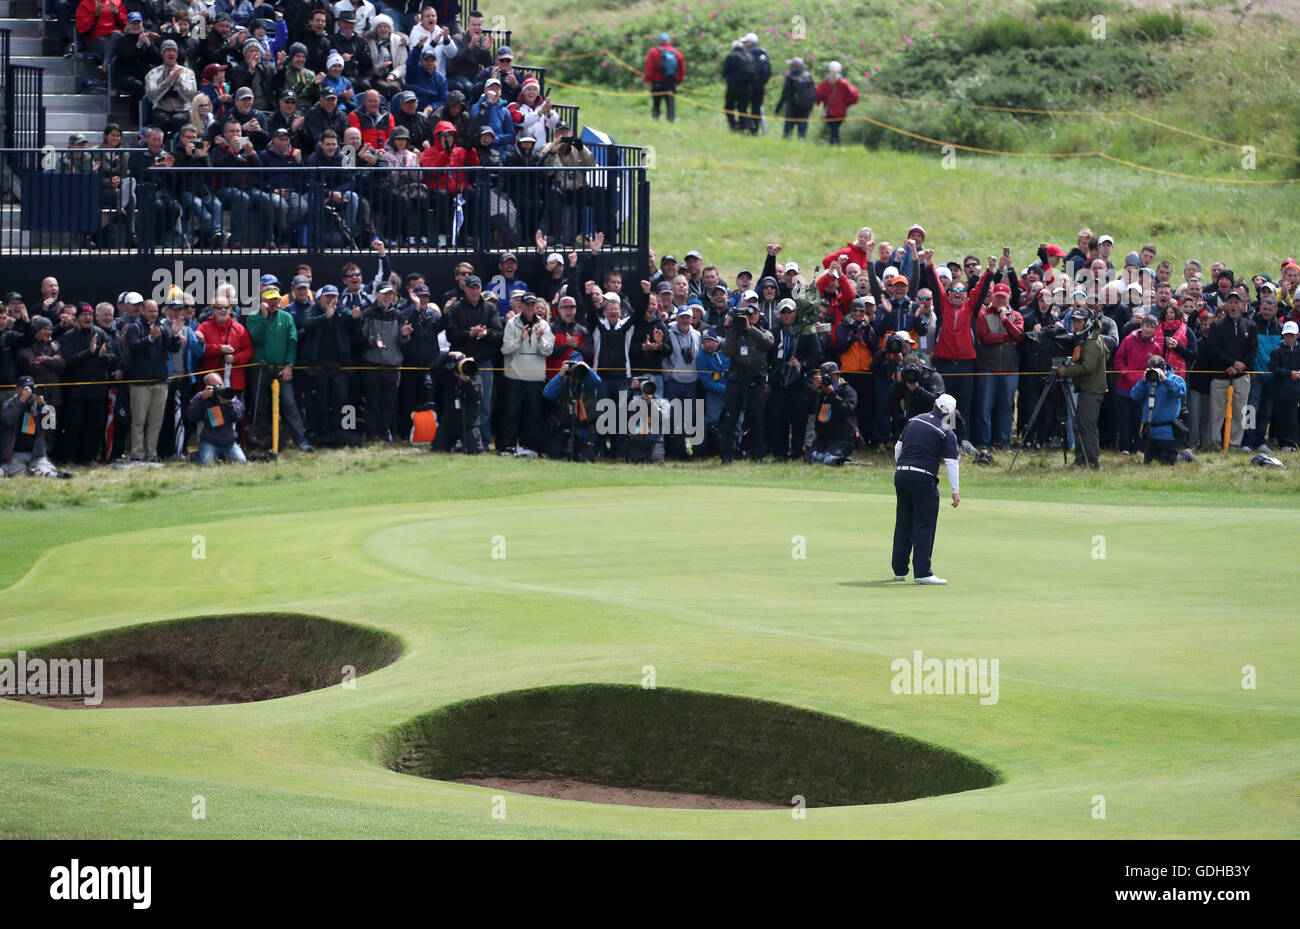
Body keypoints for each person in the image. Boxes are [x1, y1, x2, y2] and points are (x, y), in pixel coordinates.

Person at [891, 393, 960, 584]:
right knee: (924, 524)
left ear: (934, 405)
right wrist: (955, 491)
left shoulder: (914, 420)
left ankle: (899, 570)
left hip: (901, 474)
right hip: (923, 478)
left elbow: (898, 447)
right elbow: (952, 463)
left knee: (903, 523)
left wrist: (903, 468)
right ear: (950, 413)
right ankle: (922, 573)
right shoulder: (947, 430)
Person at [124, 299, 181, 462]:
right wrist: (149, 339)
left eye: (156, 311)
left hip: (160, 382)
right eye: (150, 311)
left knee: (156, 421)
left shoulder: (163, 327)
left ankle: (151, 454)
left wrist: (175, 334)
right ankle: (137, 454)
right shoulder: (135, 327)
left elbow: (173, 348)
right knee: (139, 421)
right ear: (142, 311)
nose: (154, 314)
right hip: (140, 382)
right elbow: (132, 346)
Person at [718, 302, 774, 463]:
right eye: (747, 315)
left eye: (754, 313)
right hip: (737, 379)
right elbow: (727, 351)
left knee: (757, 419)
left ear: (759, 315)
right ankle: (726, 455)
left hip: (756, 380)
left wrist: (750, 328)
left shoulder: (764, 332)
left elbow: (768, 343)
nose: (750, 316)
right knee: (730, 419)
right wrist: (730, 329)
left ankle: (757, 455)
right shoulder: (735, 332)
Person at [499, 294, 555, 455]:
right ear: (521, 305)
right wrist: (520, 340)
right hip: (514, 377)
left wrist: (538, 339)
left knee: (532, 416)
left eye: (532, 304)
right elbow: (505, 349)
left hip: (535, 378)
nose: (530, 307)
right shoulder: (512, 323)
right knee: (511, 414)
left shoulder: (543, 324)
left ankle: (529, 448)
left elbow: (548, 350)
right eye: (527, 304)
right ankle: (507, 447)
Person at [1201, 291, 1257, 450]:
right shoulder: (1217, 326)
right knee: (1216, 412)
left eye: (1236, 302)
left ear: (1242, 305)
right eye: (1230, 302)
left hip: (1242, 376)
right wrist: (1231, 363)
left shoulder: (1250, 326)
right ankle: (1214, 444)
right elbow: (1213, 349)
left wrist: (1243, 364)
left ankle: (1234, 444)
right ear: (1226, 306)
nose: (1233, 306)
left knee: (1240, 412)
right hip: (1220, 374)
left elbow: (1253, 349)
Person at [1056, 308, 1109, 469]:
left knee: (1087, 426)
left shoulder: (1092, 341)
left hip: (1092, 389)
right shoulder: (1089, 338)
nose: (1076, 324)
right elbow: (1106, 354)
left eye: (1080, 321)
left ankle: (1092, 461)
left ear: (1088, 322)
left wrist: (1067, 371)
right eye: (1075, 321)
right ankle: (1080, 459)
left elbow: (1088, 367)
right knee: (1080, 424)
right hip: (1088, 387)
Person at [543, 353, 602, 461]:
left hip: (584, 429)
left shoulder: (589, 382)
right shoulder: (562, 381)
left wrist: (587, 369)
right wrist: (560, 374)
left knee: (585, 458)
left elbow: (598, 383)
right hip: (564, 427)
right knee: (555, 456)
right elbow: (547, 393)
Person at [2, 377, 63, 478]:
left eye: (30, 388)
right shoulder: (9, 403)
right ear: (17, 389)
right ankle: (35, 473)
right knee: (16, 472)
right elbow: (8, 421)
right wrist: (21, 402)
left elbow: (51, 426)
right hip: (16, 454)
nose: (28, 391)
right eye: (24, 388)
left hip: (36, 454)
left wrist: (42, 405)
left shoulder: (38, 403)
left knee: (46, 468)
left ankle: (45, 473)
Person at [1130, 355, 1187, 465]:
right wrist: (1143, 381)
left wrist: (1165, 379)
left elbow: (1180, 391)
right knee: (1148, 464)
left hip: (1168, 433)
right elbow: (1134, 395)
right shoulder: (1149, 382)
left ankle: (1185, 456)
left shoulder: (1175, 379)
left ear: (1165, 368)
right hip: (1151, 432)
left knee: (1168, 463)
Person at [429, 349, 484, 454]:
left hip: (469, 422)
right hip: (449, 421)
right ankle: (456, 445)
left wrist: (467, 381)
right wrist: (448, 355)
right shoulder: (450, 373)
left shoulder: (473, 371)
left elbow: (478, 394)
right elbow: (433, 368)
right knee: (437, 449)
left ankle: (460, 445)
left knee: (474, 452)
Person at [188, 373, 248, 465]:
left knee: (241, 462)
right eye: (213, 386)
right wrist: (203, 400)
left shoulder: (228, 395)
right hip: (209, 442)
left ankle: (222, 456)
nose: (218, 388)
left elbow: (239, 417)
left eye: (220, 385)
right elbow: (191, 416)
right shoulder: (201, 396)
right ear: (206, 387)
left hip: (229, 442)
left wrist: (228, 403)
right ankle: (196, 457)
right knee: (207, 464)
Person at [806, 361, 858, 465]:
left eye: (832, 375)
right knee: (812, 458)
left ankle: (841, 459)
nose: (829, 379)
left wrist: (832, 394)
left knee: (829, 459)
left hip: (842, 437)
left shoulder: (847, 391)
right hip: (824, 437)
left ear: (838, 375)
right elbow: (808, 409)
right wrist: (813, 391)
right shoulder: (819, 392)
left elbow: (846, 410)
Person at [1268, 321, 1300, 451]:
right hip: (1280, 389)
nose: (1289, 338)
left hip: (1295, 390)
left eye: (1291, 335)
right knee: (1280, 416)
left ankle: (1292, 444)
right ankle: (1282, 443)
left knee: (1292, 416)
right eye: (1286, 335)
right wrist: (1289, 374)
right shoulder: (1278, 350)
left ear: (1297, 335)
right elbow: (1273, 367)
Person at [643, 32, 684, 122]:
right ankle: (671, 120)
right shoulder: (677, 53)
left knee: (656, 102)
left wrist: (647, 81)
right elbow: (682, 69)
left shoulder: (653, 52)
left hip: (657, 83)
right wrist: (678, 81)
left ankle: (655, 119)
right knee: (670, 103)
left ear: (659, 41)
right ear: (669, 41)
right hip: (671, 83)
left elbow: (648, 68)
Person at [814, 61, 858, 145]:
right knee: (834, 129)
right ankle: (832, 145)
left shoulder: (825, 83)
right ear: (840, 72)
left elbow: (818, 94)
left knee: (834, 130)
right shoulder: (844, 83)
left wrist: (819, 102)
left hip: (830, 112)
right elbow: (854, 93)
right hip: (842, 112)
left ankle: (838, 145)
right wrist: (848, 102)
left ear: (828, 71)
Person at [774, 56, 816, 140]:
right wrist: (810, 108)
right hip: (805, 109)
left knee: (787, 134)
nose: (789, 67)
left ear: (795, 66)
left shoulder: (790, 77)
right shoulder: (808, 76)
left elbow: (784, 95)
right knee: (802, 135)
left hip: (792, 108)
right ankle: (801, 145)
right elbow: (813, 94)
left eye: (791, 65)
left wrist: (777, 109)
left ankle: (786, 144)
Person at [740, 32, 770, 134]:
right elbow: (767, 70)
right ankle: (755, 129)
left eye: (745, 42)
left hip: (747, 85)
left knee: (743, 106)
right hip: (760, 86)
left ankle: (745, 125)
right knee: (756, 108)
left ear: (750, 42)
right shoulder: (763, 53)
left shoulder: (746, 53)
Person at [721, 40, 753, 132]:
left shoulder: (730, 56)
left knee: (729, 107)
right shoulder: (749, 56)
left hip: (732, 87)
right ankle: (743, 127)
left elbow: (725, 72)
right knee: (743, 108)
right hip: (747, 87)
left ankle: (733, 125)